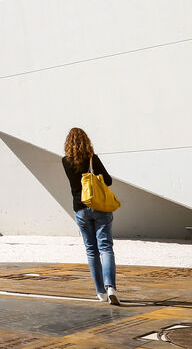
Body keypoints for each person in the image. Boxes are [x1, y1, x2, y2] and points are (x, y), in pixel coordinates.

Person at [62, 127, 119, 304]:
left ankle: (100, 292)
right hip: (99, 206)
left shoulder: (65, 161)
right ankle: (111, 288)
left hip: (80, 208)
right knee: (105, 247)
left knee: (91, 250)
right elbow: (108, 181)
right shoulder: (93, 159)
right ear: (86, 141)